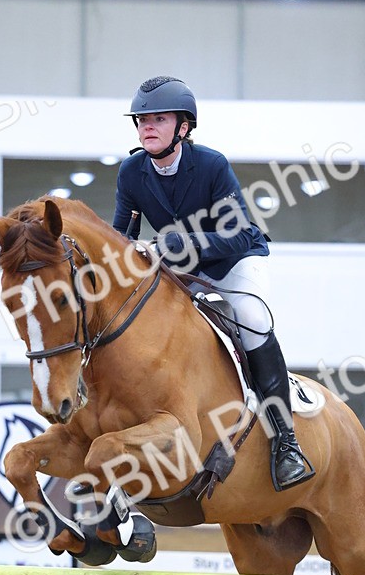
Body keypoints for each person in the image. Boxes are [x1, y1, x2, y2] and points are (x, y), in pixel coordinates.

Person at [112, 76, 314, 491]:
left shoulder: (211, 165)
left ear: (183, 127)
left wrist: (183, 241)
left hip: (235, 261)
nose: (146, 126)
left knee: (253, 320)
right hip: (183, 267)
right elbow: (121, 238)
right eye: (141, 119)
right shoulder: (132, 172)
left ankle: (286, 442)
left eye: (159, 119)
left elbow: (239, 234)